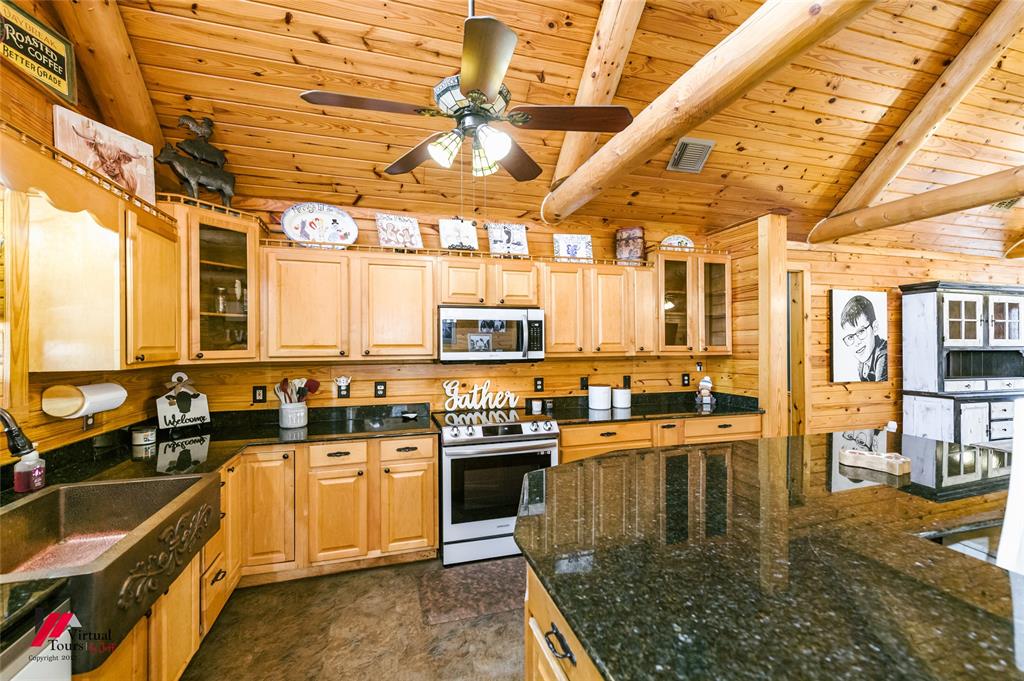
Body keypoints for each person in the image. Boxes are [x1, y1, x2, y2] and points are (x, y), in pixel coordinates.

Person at [840, 295, 888, 381]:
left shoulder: (883, 354)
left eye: (861, 331)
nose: (857, 342)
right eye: (850, 337)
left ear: (875, 327)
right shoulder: (862, 364)